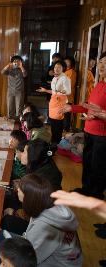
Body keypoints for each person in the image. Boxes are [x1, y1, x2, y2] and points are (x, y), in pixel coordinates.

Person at [59, 51, 106, 199]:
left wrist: (100, 114)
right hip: (89, 131)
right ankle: (86, 189)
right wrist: (71, 108)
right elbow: (89, 106)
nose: (102, 66)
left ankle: (96, 193)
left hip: (102, 135)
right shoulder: (99, 84)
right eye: (101, 62)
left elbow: (100, 111)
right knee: (87, 163)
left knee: (98, 166)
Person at [18, 174, 82, 267]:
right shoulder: (54, 206)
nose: (17, 190)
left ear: (29, 197)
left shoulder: (44, 227)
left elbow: (28, 261)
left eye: (21, 189)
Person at [37, 60, 71, 145]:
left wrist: (61, 91)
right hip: (53, 102)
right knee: (53, 121)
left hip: (60, 101)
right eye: (55, 67)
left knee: (58, 122)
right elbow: (54, 91)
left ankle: (57, 142)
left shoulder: (65, 78)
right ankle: (54, 141)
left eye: (59, 67)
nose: (56, 69)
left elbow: (68, 91)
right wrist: (45, 90)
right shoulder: (55, 78)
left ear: (63, 68)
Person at [1, 55, 27, 119]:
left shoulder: (22, 70)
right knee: (10, 107)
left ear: (20, 62)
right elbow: (2, 72)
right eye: (14, 61)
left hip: (19, 91)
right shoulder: (10, 70)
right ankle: (10, 122)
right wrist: (8, 65)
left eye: (18, 61)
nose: (16, 62)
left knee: (19, 108)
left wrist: (21, 67)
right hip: (10, 91)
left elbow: (25, 75)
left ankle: (19, 123)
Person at [64, 56, 77, 132]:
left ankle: (66, 129)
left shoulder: (71, 72)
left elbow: (69, 85)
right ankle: (65, 129)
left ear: (71, 63)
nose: (66, 63)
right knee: (65, 114)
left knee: (67, 115)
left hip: (68, 97)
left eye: (67, 62)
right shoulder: (65, 71)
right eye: (65, 62)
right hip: (64, 96)